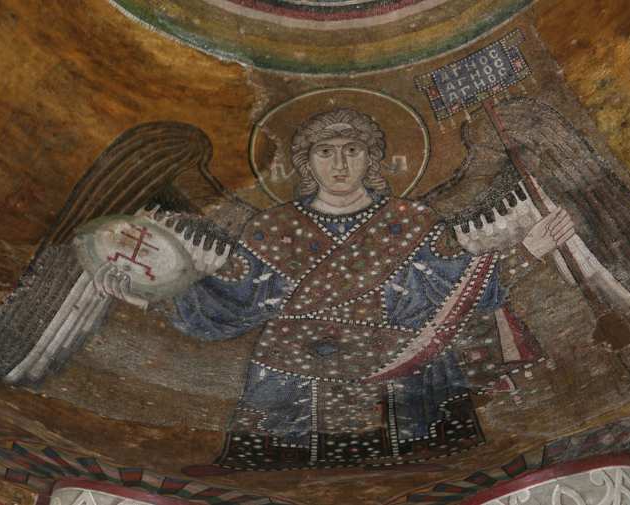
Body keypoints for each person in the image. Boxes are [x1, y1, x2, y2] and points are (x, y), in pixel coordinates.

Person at [100, 108, 574, 470]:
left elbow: (453, 291)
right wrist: (149, 297)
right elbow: (230, 302)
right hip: (291, 382)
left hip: (403, 374)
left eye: (352, 150)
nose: (340, 163)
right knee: (280, 479)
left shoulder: (411, 222)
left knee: (422, 474)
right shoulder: (273, 227)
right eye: (325, 152)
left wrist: (526, 252)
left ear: (372, 159)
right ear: (306, 163)